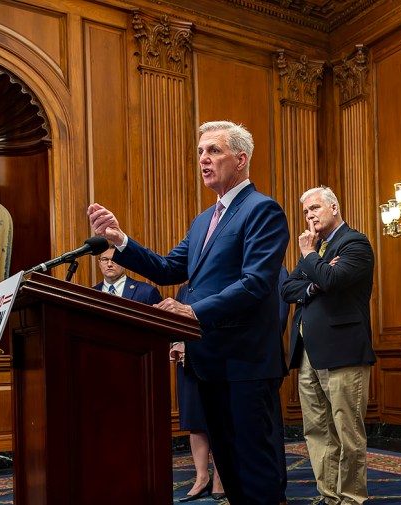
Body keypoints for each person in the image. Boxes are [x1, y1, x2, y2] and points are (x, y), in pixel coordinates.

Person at [88, 120, 290, 505]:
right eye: (200, 152)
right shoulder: (203, 222)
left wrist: (191, 311)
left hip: (245, 364)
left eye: (213, 151)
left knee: (257, 471)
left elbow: (255, 284)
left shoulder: (262, 210)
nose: (203, 159)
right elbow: (167, 269)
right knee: (230, 470)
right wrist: (121, 240)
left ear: (241, 158)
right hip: (208, 362)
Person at [281, 186, 376, 505]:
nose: (309, 215)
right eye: (306, 211)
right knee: (318, 431)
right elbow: (287, 289)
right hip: (308, 352)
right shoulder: (318, 250)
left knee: (347, 432)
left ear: (334, 207)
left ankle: (351, 498)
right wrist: (314, 282)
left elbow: (334, 281)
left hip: (343, 350)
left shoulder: (355, 243)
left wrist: (310, 257)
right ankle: (329, 496)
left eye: (315, 208)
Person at [170, 283, 225, 502]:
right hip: (188, 363)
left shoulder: (223, 282)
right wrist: (176, 343)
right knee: (195, 420)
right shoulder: (185, 289)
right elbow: (175, 323)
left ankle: (221, 477)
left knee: (219, 421)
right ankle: (201, 477)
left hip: (217, 361)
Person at [92, 243, 162, 305]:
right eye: (104, 259)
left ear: (124, 262)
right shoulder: (91, 293)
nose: (109, 264)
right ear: (99, 263)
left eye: (114, 259)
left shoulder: (147, 292)